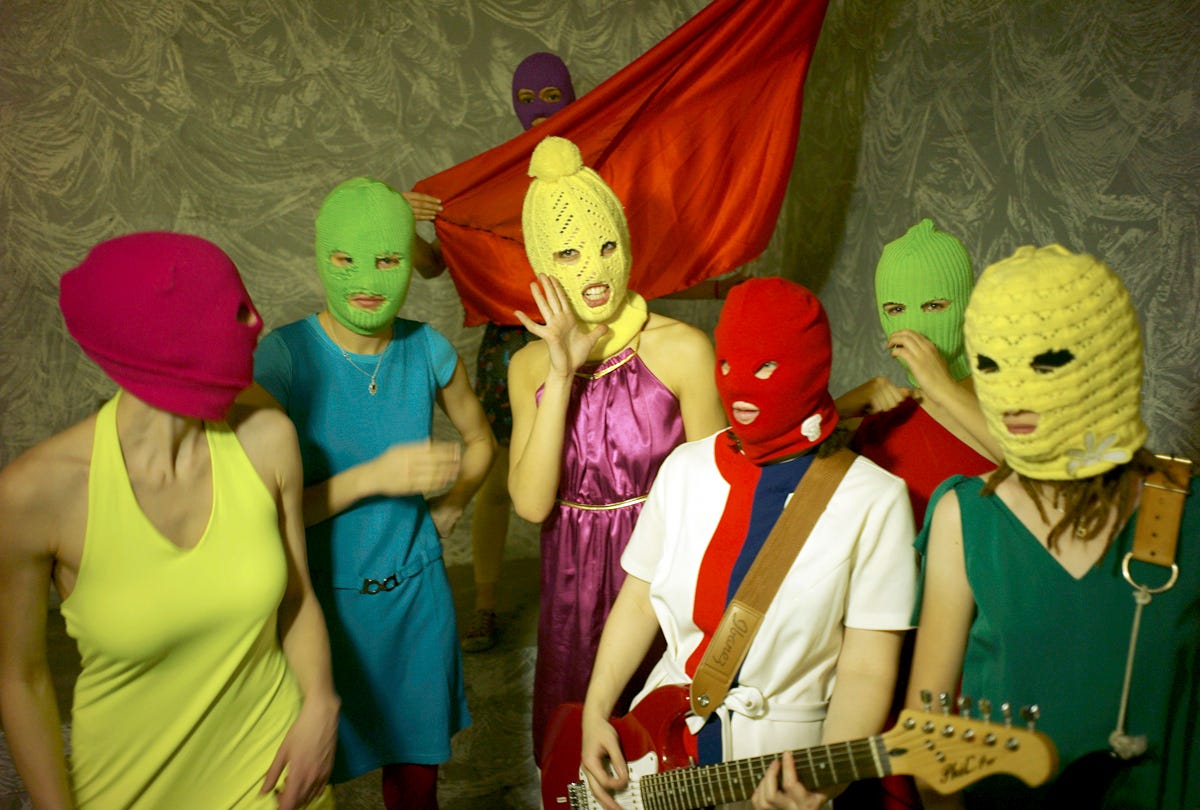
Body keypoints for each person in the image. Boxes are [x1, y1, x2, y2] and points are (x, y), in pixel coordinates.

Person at [404, 51, 743, 654]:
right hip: (526, 344)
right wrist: (408, 227)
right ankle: (484, 601)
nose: (539, 111)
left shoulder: (606, 172)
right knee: (512, 467)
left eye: (550, 97)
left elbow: (715, 491)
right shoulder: (491, 183)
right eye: (527, 100)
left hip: (659, 571)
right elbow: (442, 265)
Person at [0, 232, 338, 809]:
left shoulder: (269, 438)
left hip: (269, 771)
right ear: (161, 339)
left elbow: (297, 597)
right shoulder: (35, 494)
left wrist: (322, 706)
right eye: (235, 311)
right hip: (127, 784)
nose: (257, 322)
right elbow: (21, 677)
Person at [578, 277, 917, 810]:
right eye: (729, 367)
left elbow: (867, 668)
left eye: (764, 369)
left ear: (810, 370)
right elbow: (639, 599)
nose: (741, 388)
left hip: (780, 767)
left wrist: (826, 780)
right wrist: (595, 713)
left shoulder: (874, 498)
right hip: (654, 739)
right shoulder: (685, 468)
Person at [905, 244, 1199, 809]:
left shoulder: (1188, 513)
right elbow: (928, 741)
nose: (1014, 395)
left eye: (1048, 361)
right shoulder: (965, 518)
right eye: (990, 364)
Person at [252, 178, 495, 810]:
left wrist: (447, 509)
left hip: (415, 598)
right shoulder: (281, 359)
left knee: (415, 781)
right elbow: (254, 515)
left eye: (388, 260)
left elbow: (481, 441)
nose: (367, 278)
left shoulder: (428, 349)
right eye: (346, 259)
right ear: (321, 255)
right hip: (312, 605)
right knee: (297, 785)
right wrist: (372, 478)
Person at [506, 135, 728, 764]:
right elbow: (529, 503)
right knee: (576, 753)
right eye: (570, 253)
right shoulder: (528, 369)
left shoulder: (683, 350)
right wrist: (560, 371)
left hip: (660, 575)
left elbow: (717, 499)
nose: (594, 270)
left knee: (666, 755)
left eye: (606, 246)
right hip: (571, 586)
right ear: (543, 264)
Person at [837, 218, 1000, 522]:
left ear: (968, 304)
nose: (913, 326)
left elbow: (1048, 479)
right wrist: (837, 409)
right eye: (896, 310)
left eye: (934, 306)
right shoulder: (875, 422)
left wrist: (944, 388)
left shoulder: (1015, 401)